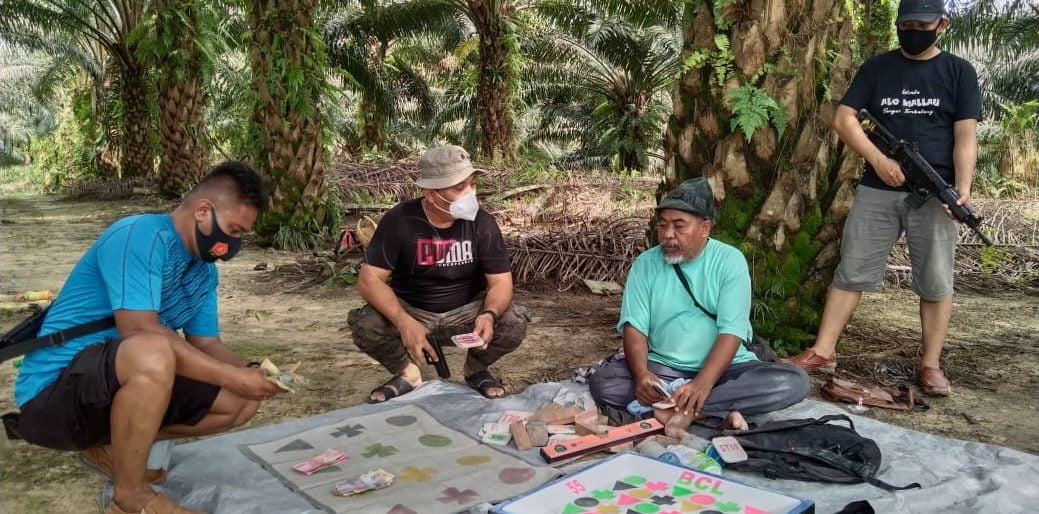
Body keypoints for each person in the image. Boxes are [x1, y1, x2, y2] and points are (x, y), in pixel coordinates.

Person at [13, 161, 286, 514]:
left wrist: (256, 374)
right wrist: (236, 376)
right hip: (52, 396)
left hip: (116, 383)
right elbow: (139, 330)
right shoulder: (138, 235)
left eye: (240, 236)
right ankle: (130, 497)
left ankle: (117, 449)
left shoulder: (203, 274)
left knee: (241, 400)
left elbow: (207, 344)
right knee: (152, 348)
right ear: (204, 210)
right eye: (233, 231)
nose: (233, 245)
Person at [784, 0, 981, 396]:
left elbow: (965, 134)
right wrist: (878, 158)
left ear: (941, 24)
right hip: (878, 188)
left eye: (921, 24)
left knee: (936, 280)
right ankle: (824, 350)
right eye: (905, 23)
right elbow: (844, 118)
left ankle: (930, 365)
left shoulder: (958, 72)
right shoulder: (877, 68)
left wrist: (961, 189)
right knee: (852, 269)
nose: (912, 30)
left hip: (934, 192)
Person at [588, 178, 810, 437]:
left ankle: (682, 411)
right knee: (603, 382)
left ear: (705, 228)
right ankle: (713, 410)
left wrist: (702, 385)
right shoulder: (645, 264)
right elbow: (634, 325)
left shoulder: (729, 261)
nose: (668, 234)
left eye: (679, 226)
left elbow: (732, 330)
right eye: (663, 226)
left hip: (727, 370)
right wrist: (641, 375)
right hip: (665, 369)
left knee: (793, 382)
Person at [349, 145, 528, 403]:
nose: (470, 194)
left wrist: (489, 315)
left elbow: (501, 282)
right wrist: (403, 321)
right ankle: (407, 373)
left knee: (513, 322)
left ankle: (475, 369)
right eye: (459, 188)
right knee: (366, 325)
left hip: (466, 313)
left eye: (472, 184)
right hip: (413, 311)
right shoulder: (400, 221)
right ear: (430, 194)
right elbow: (369, 280)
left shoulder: (483, 223)